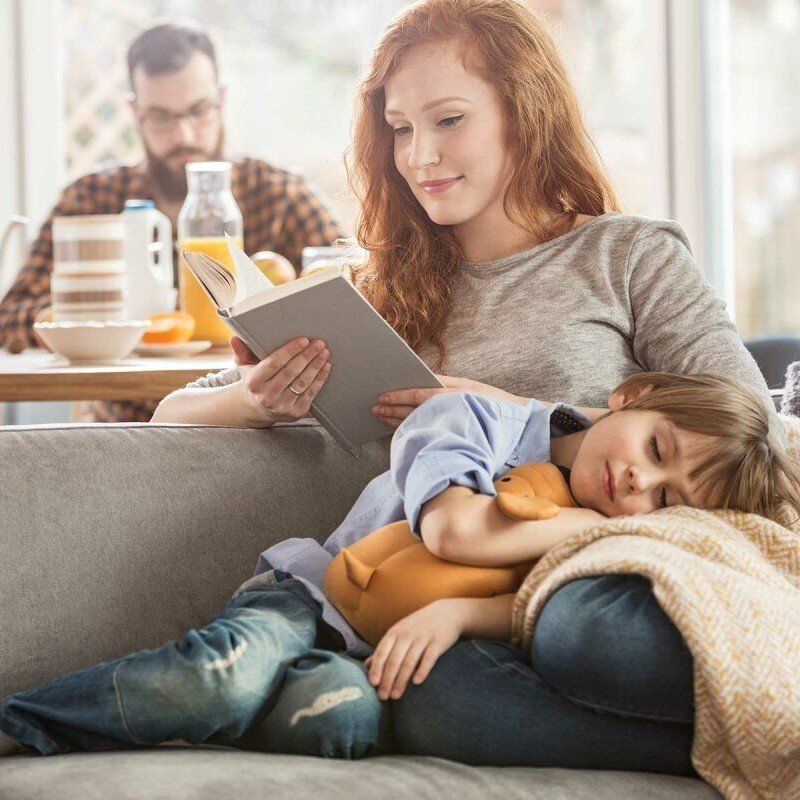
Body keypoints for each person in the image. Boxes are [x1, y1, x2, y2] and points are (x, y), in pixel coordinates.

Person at [145, 0, 786, 775]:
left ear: (526, 113)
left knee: (582, 629)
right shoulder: (374, 298)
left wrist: (504, 407)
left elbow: (759, 435)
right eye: (400, 128)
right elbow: (170, 412)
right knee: (433, 694)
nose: (420, 156)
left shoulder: (627, 257)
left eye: (449, 120)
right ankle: (736, 750)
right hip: (452, 615)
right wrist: (255, 399)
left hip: (594, 588)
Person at [2, 370, 797, 760]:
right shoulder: (473, 419)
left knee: (342, 719)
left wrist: (460, 613)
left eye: (667, 500)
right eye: (655, 448)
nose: (637, 484)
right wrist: (585, 525)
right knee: (224, 678)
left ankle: (268, 701)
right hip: (309, 601)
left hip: (369, 660)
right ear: (632, 394)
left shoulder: (621, 537)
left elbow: (522, 608)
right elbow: (454, 531)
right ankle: (21, 726)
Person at [0, 21, 342, 423]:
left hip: (253, 429)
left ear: (221, 100)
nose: (184, 134)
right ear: (135, 113)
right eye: (161, 117)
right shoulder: (92, 200)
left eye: (198, 111)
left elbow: (356, 286)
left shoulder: (278, 194)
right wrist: (87, 322)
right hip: (127, 425)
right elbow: (10, 316)